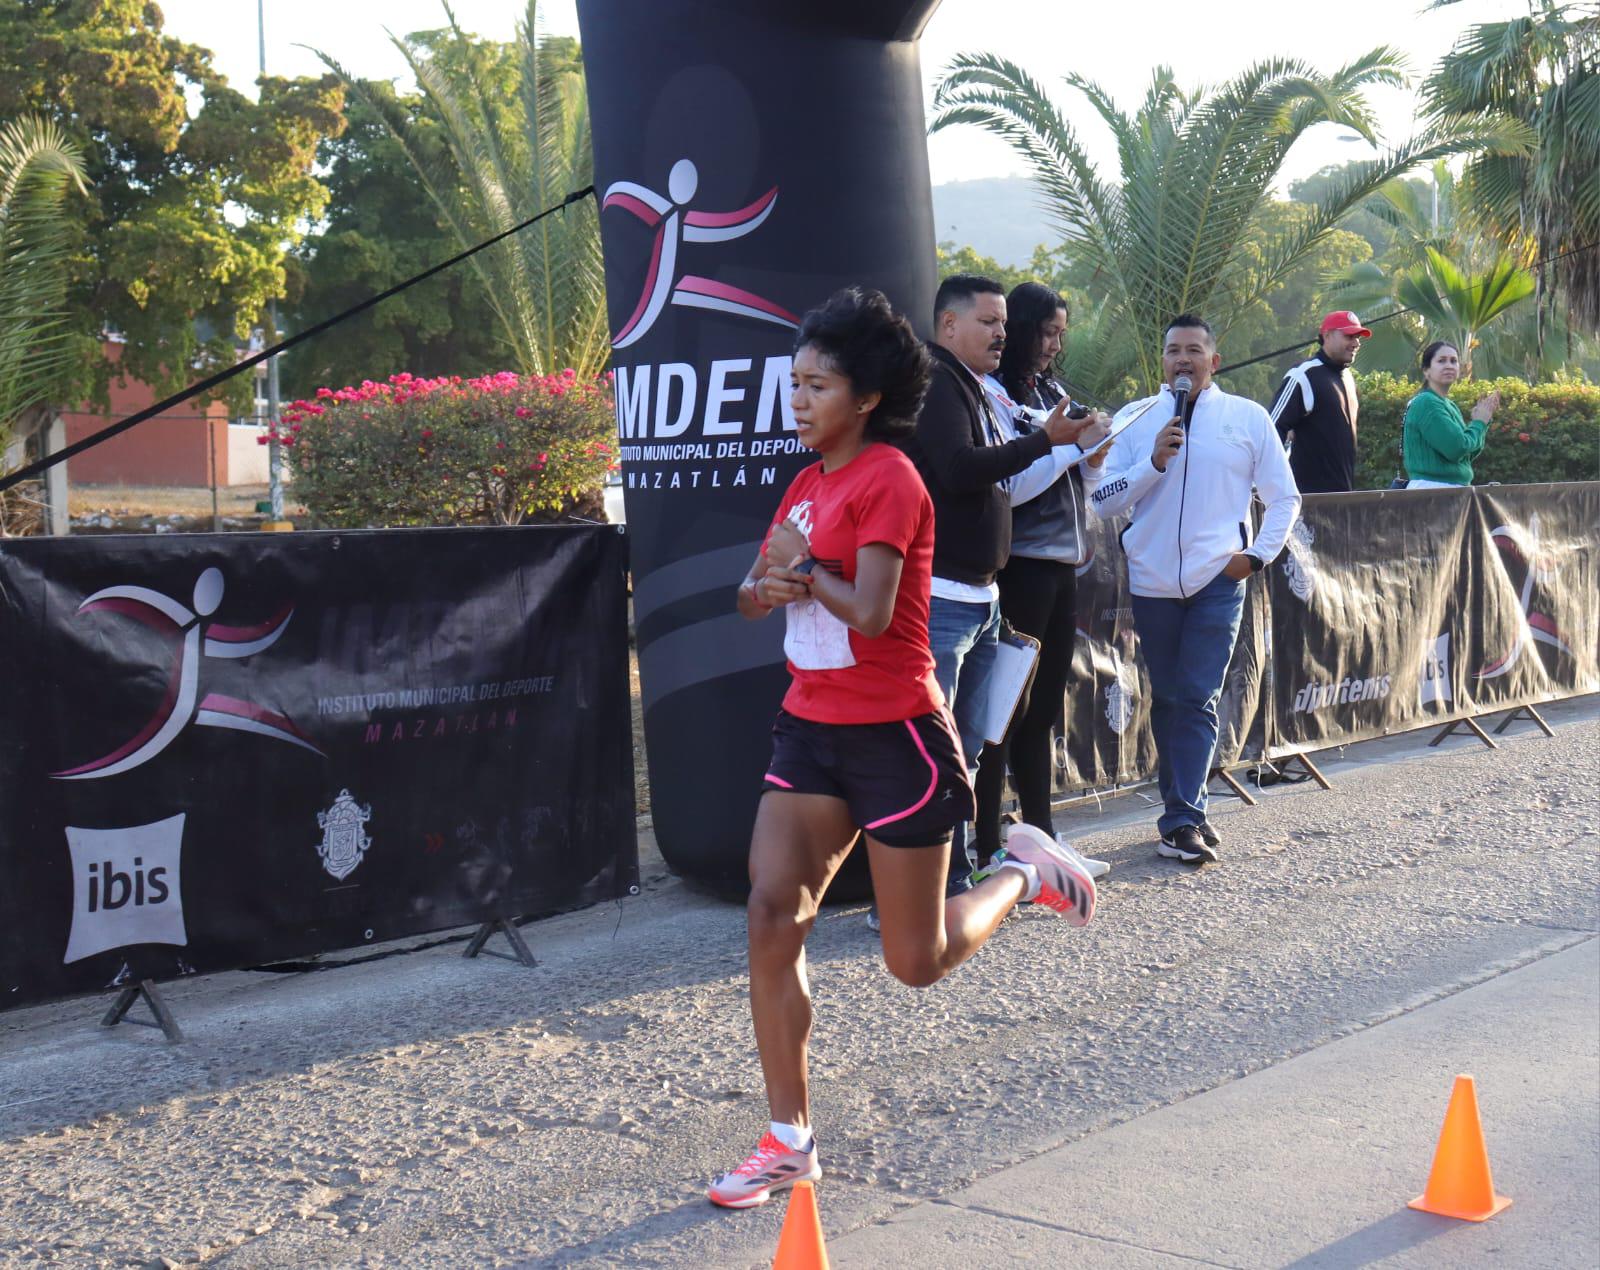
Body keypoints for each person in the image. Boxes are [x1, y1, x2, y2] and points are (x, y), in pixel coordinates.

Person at [710, 287, 1098, 1210]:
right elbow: (751, 590)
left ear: (868, 396)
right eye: (794, 384)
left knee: (913, 960)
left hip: (896, 735)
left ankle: (1022, 874)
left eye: (818, 385)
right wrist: (767, 588)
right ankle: (788, 1137)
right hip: (812, 725)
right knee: (772, 916)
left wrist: (807, 576)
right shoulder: (807, 483)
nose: (798, 401)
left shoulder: (890, 477)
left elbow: (874, 613)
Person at [898, 274, 1095, 899]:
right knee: (940, 750)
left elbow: (999, 482)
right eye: (988, 322)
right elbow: (958, 469)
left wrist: (1069, 448)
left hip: (983, 596)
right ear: (948, 324)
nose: (1001, 333)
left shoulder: (977, 389)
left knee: (974, 747)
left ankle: (969, 865)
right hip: (945, 595)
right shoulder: (936, 382)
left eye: (1005, 323)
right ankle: (922, 888)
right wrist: (1046, 442)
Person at [1088, 316, 1300, 865]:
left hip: (1217, 581)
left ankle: (1183, 816)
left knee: (1199, 694)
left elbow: (1284, 498)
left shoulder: (1246, 418)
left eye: (1193, 351)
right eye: (1172, 351)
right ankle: (1184, 809)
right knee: (1171, 695)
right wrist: (1153, 463)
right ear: (1162, 362)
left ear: (1214, 360)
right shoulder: (1138, 419)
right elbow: (1103, 499)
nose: (1182, 360)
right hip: (1153, 582)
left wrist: (1254, 556)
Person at [973, 282, 1113, 878]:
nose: (1055, 344)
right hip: (1021, 567)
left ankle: (1043, 840)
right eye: (1047, 332)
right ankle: (987, 848)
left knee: (1043, 713)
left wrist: (1095, 451)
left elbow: (1076, 480)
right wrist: (1063, 447)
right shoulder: (996, 392)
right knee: (1003, 713)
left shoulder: (1051, 391)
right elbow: (1012, 484)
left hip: (1064, 567)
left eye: (1062, 333)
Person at [1269, 311, 1369, 493]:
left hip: (1343, 498)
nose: (1356, 343)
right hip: (1308, 501)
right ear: (1327, 336)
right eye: (1349, 336)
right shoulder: (1304, 374)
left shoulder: (1347, 377)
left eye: (1358, 337)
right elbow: (1271, 431)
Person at [1402, 341, 1501, 488]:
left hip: (1450, 491)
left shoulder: (1449, 405)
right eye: (1441, 361)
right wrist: (1479, 423)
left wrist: (1483, 421)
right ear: (1426, 370)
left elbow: (1466, 454)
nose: (1449, 365)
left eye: (1453, 361)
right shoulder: (1426, 402)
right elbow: (1456, 449)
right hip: (1431, 491)